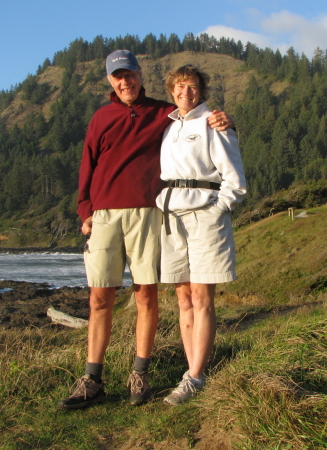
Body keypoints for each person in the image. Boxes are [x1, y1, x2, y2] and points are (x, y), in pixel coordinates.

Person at [57, 50, 234, 410]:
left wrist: (225, 121)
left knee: (146, 296)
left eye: (130, 75)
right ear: (110, 80)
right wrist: (85, 210)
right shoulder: (101, 117)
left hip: (148, 214)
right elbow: (87, 165)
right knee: (99, 298)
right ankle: (92, 379)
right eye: (118, 77)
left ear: (140, 75)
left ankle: (140, 373)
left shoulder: (162, 114)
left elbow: (199, 124)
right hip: (104, 215)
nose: (125, 82)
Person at [155, 64, 246, 405]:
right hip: (171, 215)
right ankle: (191, 368)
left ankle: (196, 377)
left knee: (202, 297)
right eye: (179, 87)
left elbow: (235, 178)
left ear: (201, 91)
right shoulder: (169, 126)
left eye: (191, 87)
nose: (185, 93)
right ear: (171, 90)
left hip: (205, 214)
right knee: (183, 297)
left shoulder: (213, 123)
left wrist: (217, 209)